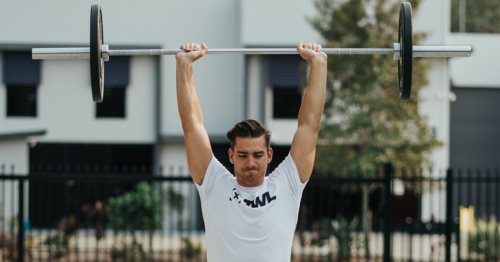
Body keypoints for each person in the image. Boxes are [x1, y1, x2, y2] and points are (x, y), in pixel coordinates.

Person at [175, 41, 327, 262]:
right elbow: (192, 125)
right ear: (231, 156)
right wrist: (184, 64)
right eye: (243, 155)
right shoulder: (213, 183)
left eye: (257, 155)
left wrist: (318, 62)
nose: (250, 163)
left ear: (269, 155)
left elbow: (309, 125)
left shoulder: (288, 183)